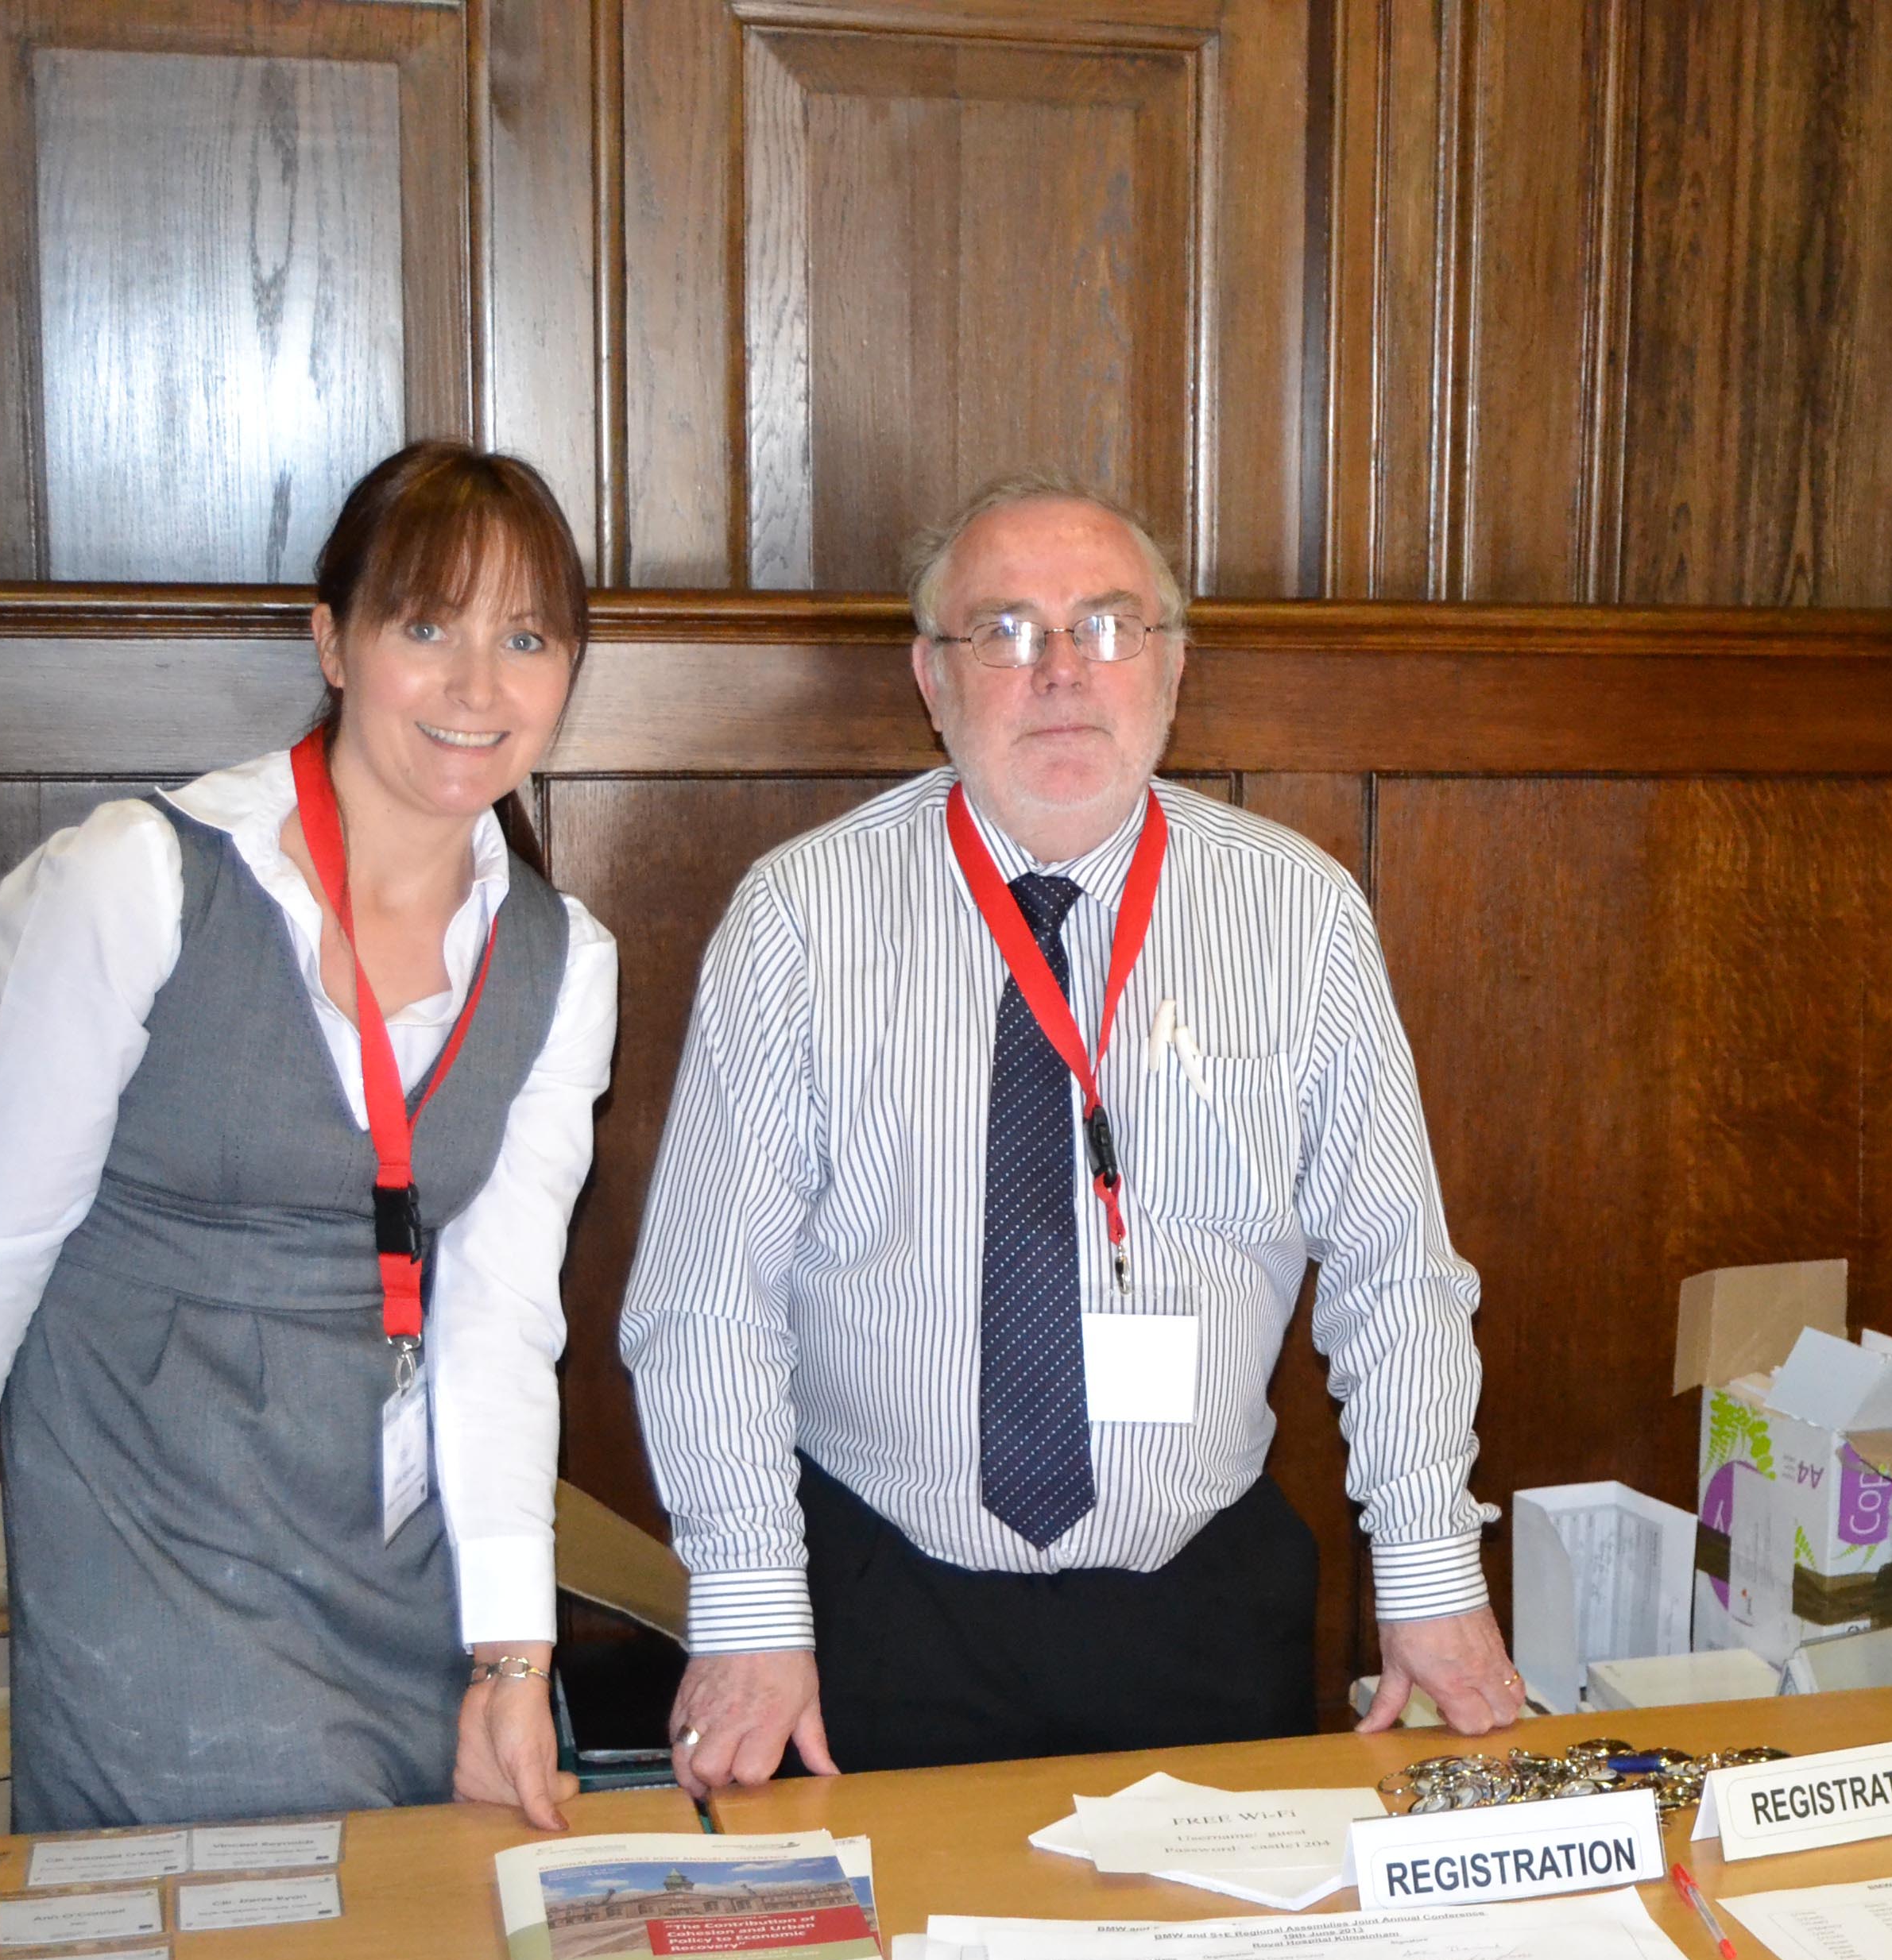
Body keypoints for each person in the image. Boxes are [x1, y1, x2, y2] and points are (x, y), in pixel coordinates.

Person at [621, 475, 1515, 1796]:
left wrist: (1429, 1572)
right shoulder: (801, 917)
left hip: (1206, 1604)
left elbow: (1398, 1276)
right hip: (877, 1601)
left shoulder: (1298, 913)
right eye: (1005, 632)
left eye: (1105, 626)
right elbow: (708, 1299)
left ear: (1171, 668)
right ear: (933, 679)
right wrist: (752, 1601)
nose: (1059, 674)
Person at [0, 442, 620, 1844]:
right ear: (331, 640)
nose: (477, 689)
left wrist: (510, 1653)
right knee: (225, 1935)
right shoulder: (141, 878)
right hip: (154, 1515)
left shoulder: (564, 958)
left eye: (527, 637)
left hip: (395, 1547)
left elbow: (498, 1317)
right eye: (425, 627)